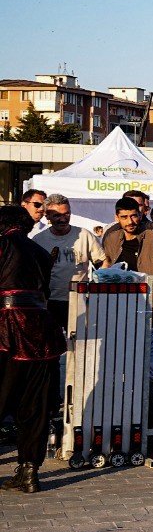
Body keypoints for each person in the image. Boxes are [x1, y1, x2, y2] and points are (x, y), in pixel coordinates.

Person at [0, 205, 67, 494]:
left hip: (7, 329)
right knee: (35, 404)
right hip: (42, 331)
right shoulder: (40, 251)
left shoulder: (3, 244)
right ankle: (29, 472)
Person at [32, 194, 104, 333]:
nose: (63, 219)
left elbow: (103, 261)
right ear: (47, 216)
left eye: (66, 214)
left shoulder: (84, 235)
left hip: (79, 299)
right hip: (49, 301)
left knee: (79, 343)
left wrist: (97, 284)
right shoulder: (39, 240)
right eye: (57, 215)